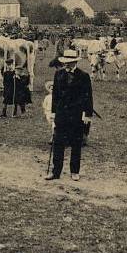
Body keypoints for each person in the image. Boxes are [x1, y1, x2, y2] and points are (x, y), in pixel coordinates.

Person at [45, 49, 94, 182]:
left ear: (74, 62)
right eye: (64, 62)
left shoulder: (83, 76)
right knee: (58, 144)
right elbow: (55, 95)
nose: (66, 65)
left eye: (69, 63)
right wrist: (53, 113)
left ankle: (74, 171)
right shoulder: (58, 74)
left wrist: (87, 114)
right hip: (61, 114)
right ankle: (56, 172)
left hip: (76, 115)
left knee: (76, 143)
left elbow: (88, 96)